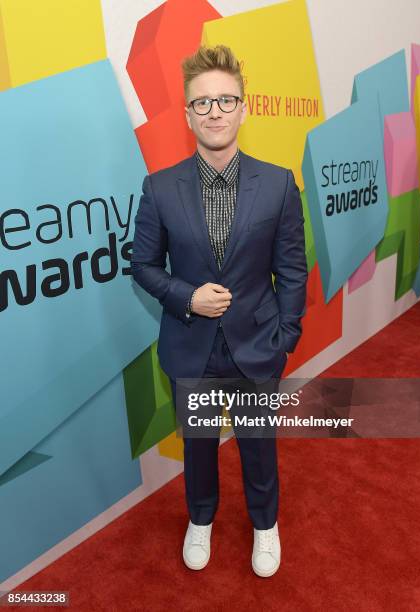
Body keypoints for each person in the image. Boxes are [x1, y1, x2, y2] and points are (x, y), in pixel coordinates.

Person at [130, 44, 308, 578]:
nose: (214, 112)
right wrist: (187, 296)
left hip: (258, 346)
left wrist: (287, 336)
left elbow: (292, 270)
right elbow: (142, 265)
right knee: (200, 448)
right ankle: (200, 520)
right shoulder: (160, 188)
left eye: (224, 101)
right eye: (202, 103)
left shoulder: (277, 183)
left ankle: (265, 525)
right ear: (187, 115)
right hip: (191, 349)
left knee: (258, 447)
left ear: (243, 108)